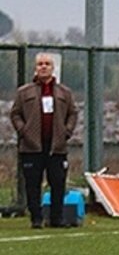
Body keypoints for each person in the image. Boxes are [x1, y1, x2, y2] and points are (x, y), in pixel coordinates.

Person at [10, 53, 78, 229]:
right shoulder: (24, 92)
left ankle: (57, 218)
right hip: (31, 146)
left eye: (47, 64)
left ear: (52, 67)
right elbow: (15, 113)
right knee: (32, 184)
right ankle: (36, 219)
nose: (43, 67)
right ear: (35, 67)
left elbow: (73, 113)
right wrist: (24, 131)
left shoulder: (65, 92)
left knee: (58, 182)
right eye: (40, 64)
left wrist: (66, 132)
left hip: (57, 146)